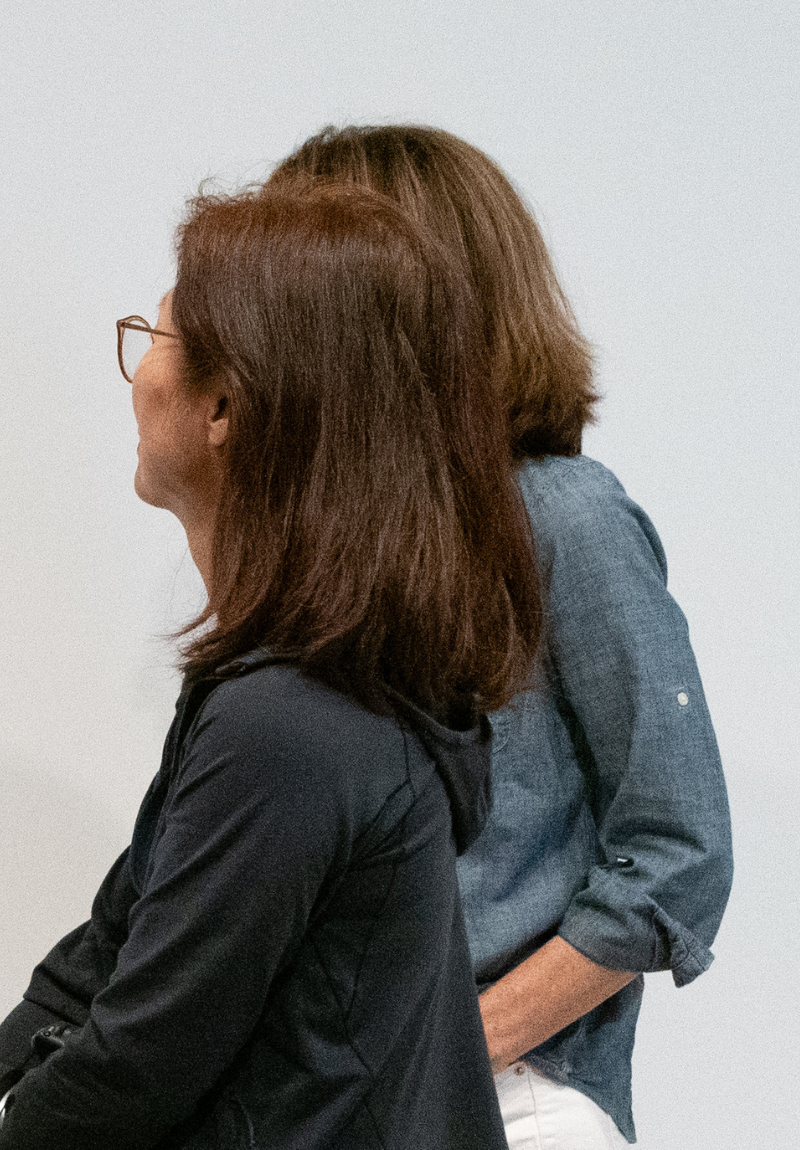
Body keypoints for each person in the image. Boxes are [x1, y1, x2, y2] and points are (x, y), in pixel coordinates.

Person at [0, 183, 545, 1150]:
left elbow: (141, 1060)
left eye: (160, 338)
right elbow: (106, 954)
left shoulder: (290, 721)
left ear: (225, 403)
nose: (138, 371)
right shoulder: (311, 687)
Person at [265, 124, 734, 1149]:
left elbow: (677, 854)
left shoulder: (569, 519)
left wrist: (457, 1046)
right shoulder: (320, 564)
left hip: (519, 1106)